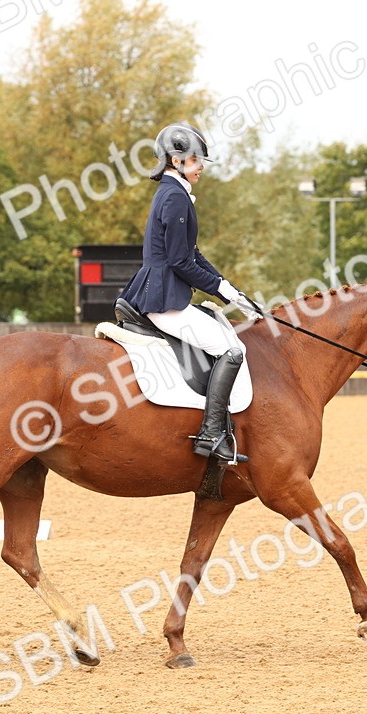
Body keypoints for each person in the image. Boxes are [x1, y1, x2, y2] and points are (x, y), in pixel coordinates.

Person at [119, 122, 260, 464]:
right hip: (164, 299)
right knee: (231, 348)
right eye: (196, 160)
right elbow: (181, 261)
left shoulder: (174, 194)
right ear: (175, 160)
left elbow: (193, 255)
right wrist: (221, 290)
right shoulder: (175, 197)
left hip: (163, 291)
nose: (200, 168)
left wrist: (229, 289)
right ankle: (212, 434)